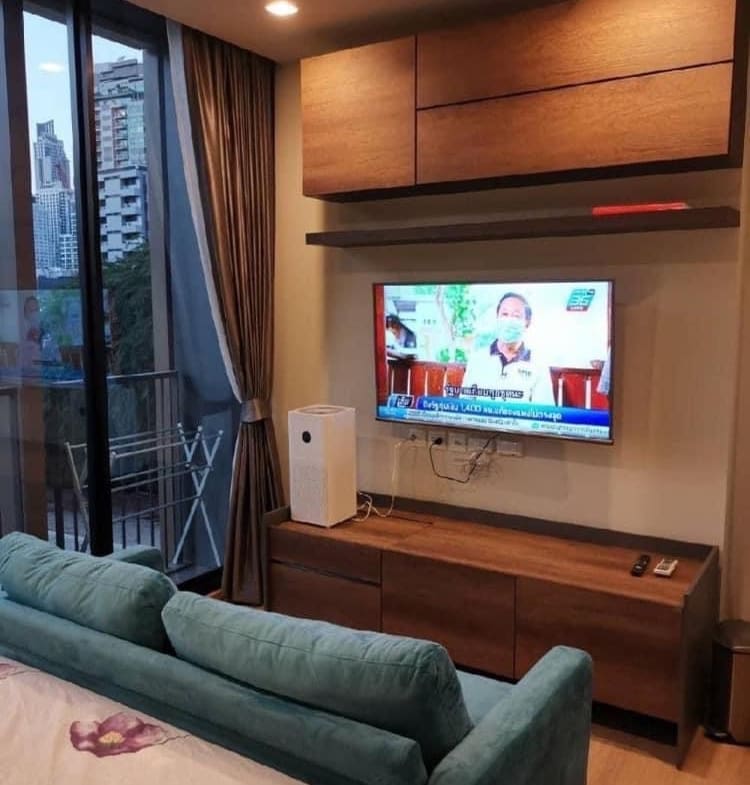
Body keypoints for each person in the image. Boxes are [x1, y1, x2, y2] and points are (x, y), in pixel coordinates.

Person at [460, 292, 556, 405]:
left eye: (516, 316)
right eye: (504, 314)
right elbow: (464, 404)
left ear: (527, 322)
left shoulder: (538, 364)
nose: (509, 320)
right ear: (497, 318)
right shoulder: (477, 358)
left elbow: (543, 411)